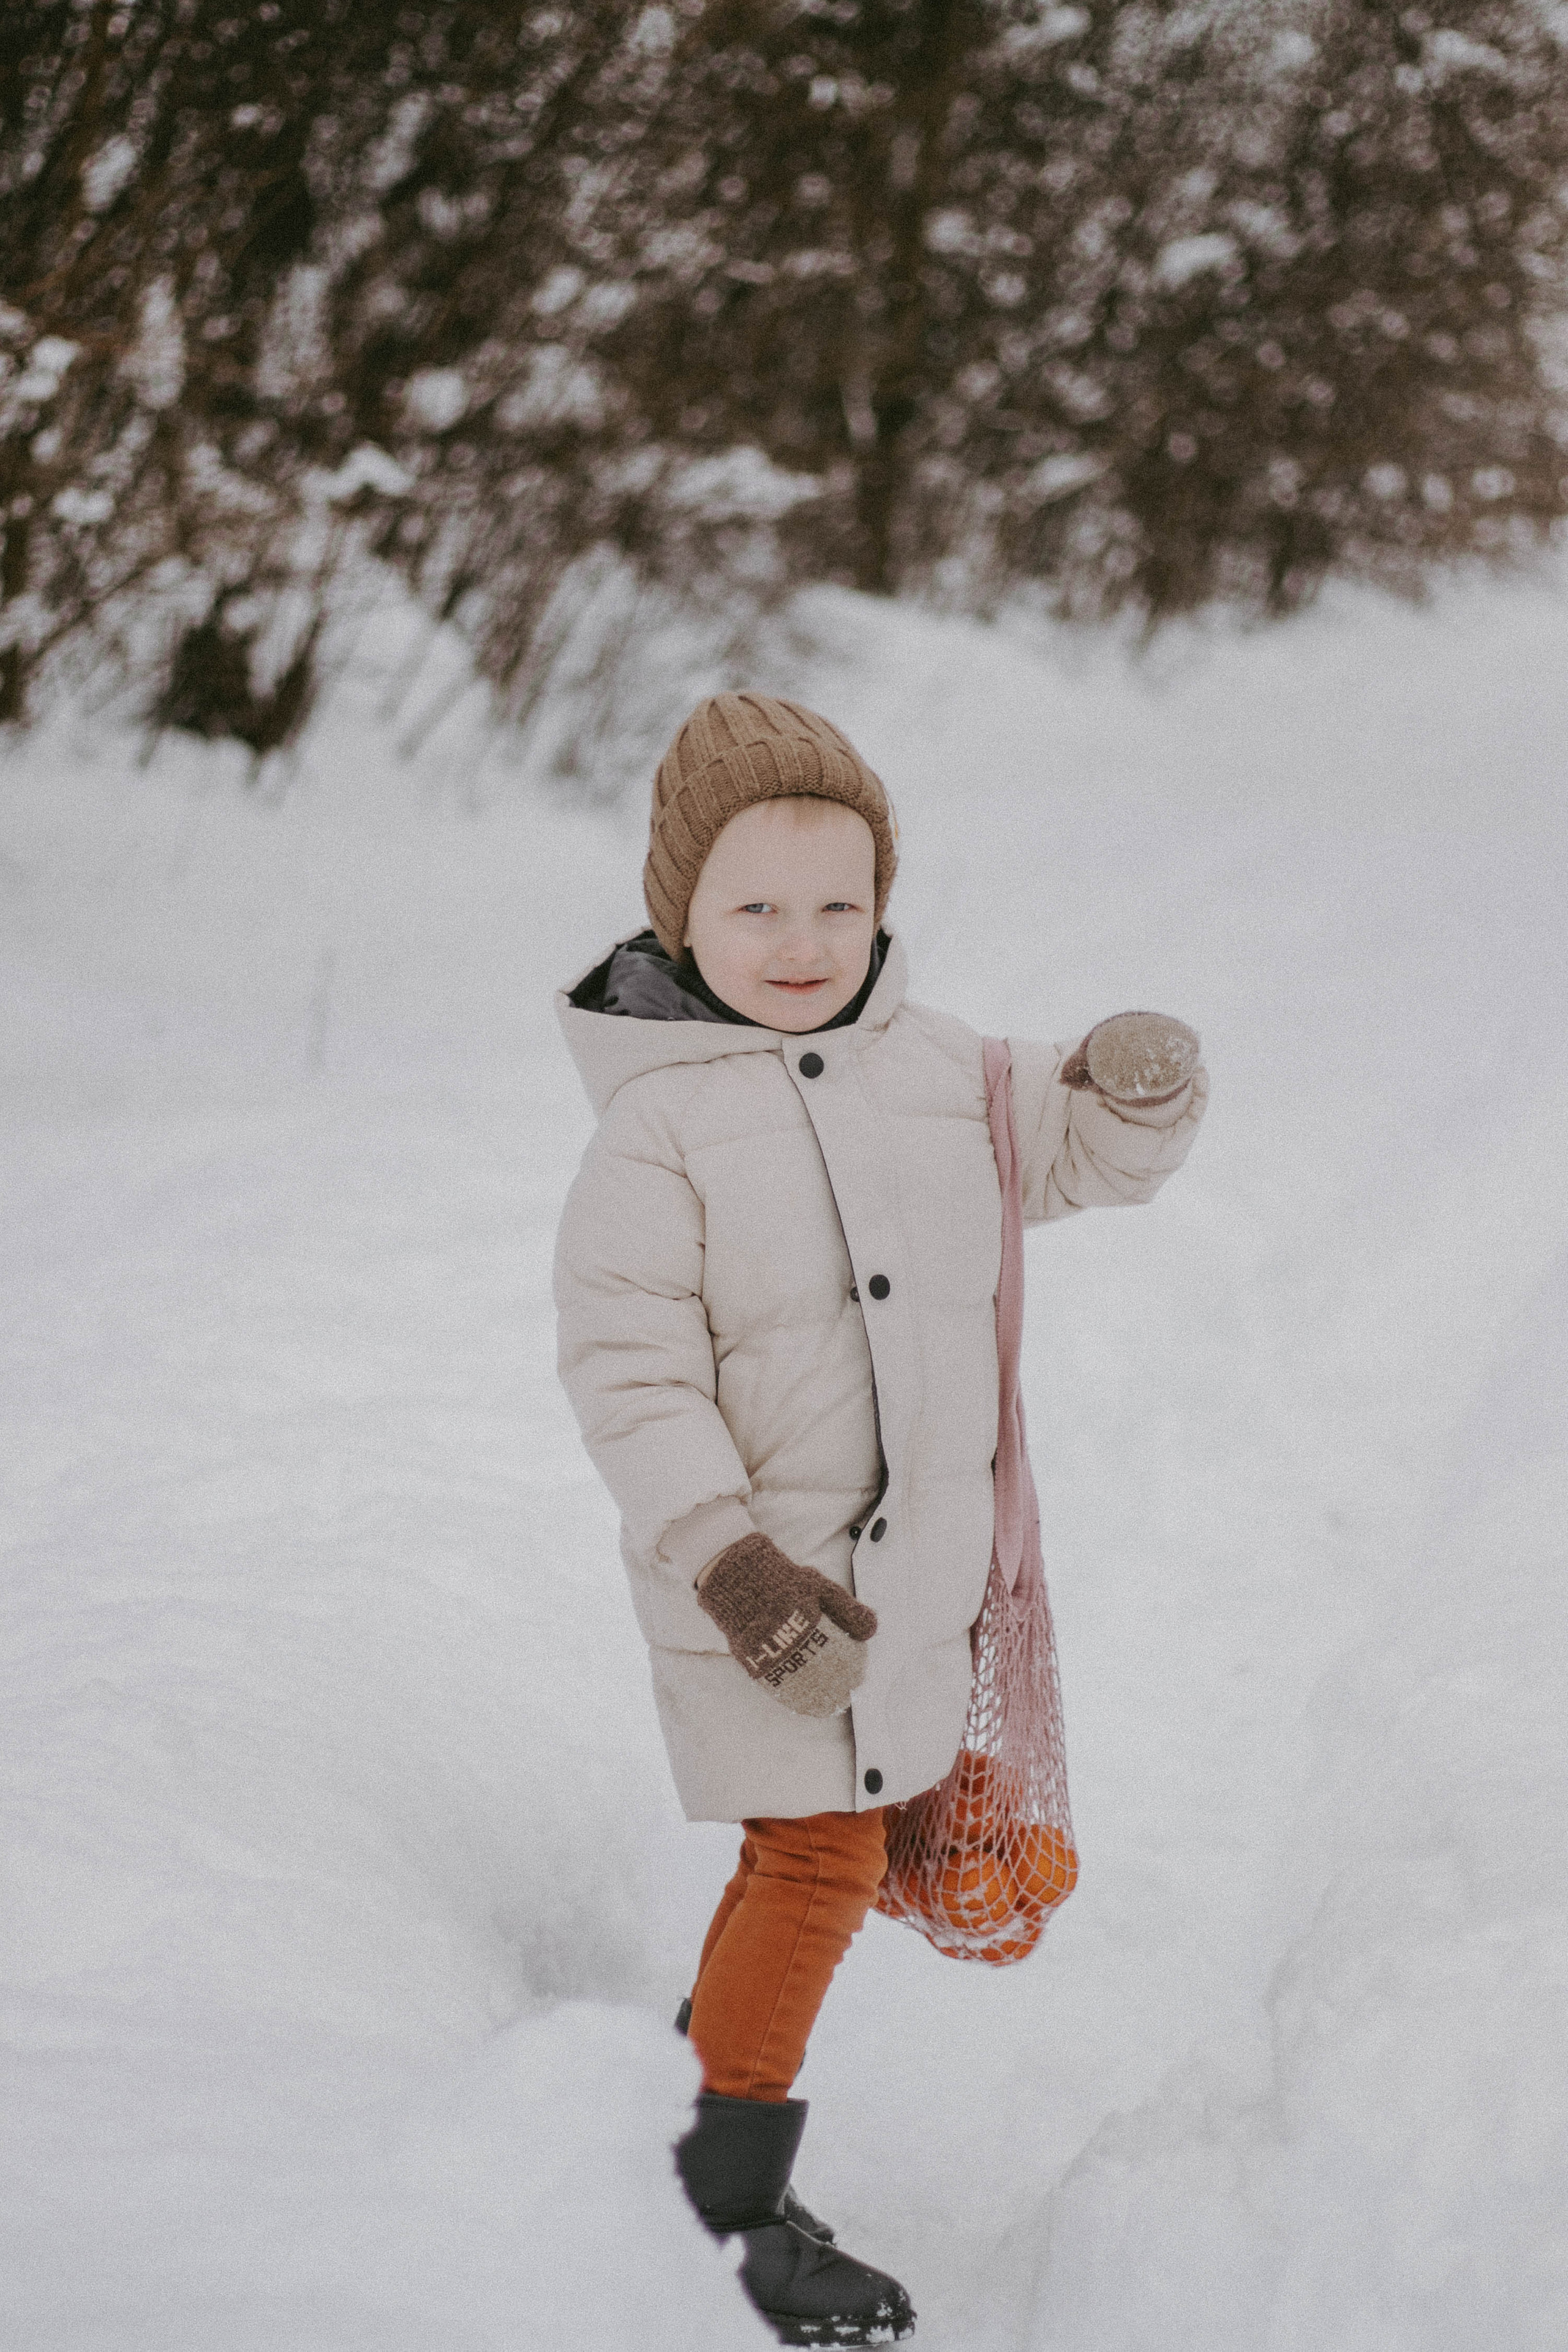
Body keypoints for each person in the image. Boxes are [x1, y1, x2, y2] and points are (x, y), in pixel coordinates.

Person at [554, 693, 1208, 2345]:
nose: (802, 943)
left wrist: (1132, 1091)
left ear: (884, 904)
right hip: (755, 1594)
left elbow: (1072, 1150)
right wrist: (730, 1562)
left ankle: (683, 2136)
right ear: (680, 914)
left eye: (839, 904)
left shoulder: (944, 1074)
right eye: (756, 907)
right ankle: (720, 2215)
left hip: (906, 1593)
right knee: (818, 1859)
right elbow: (630, 1375)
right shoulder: (657, 1131)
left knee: (806, 1852)